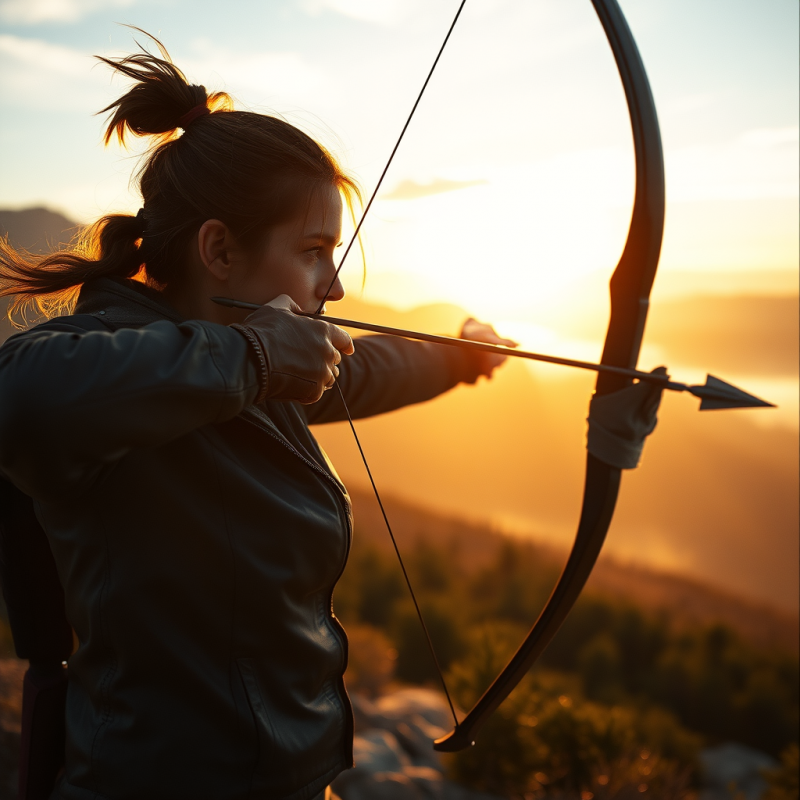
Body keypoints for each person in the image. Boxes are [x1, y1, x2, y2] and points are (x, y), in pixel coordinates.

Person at [0, 34, 662, 800]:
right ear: (218, 250)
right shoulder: (121, 360)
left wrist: (462, 357)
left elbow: (365, 365)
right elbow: (19, 399)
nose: (334, 285)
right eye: (314, 250)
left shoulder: (253, 368)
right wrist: (251, 359)